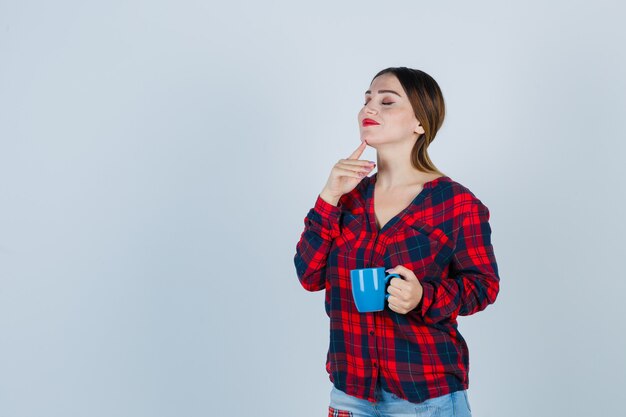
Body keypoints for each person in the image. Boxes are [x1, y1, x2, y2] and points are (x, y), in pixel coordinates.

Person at [294, 67, 500, 417]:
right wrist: (328, 197)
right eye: (366, 100)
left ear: (420, 123)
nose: (369, 109)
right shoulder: (347, 198)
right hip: (351, 394)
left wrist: (424, 297)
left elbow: (484, 286)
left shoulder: (456, 203)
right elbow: (309, 276)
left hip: (425, 397)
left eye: (386, 101)